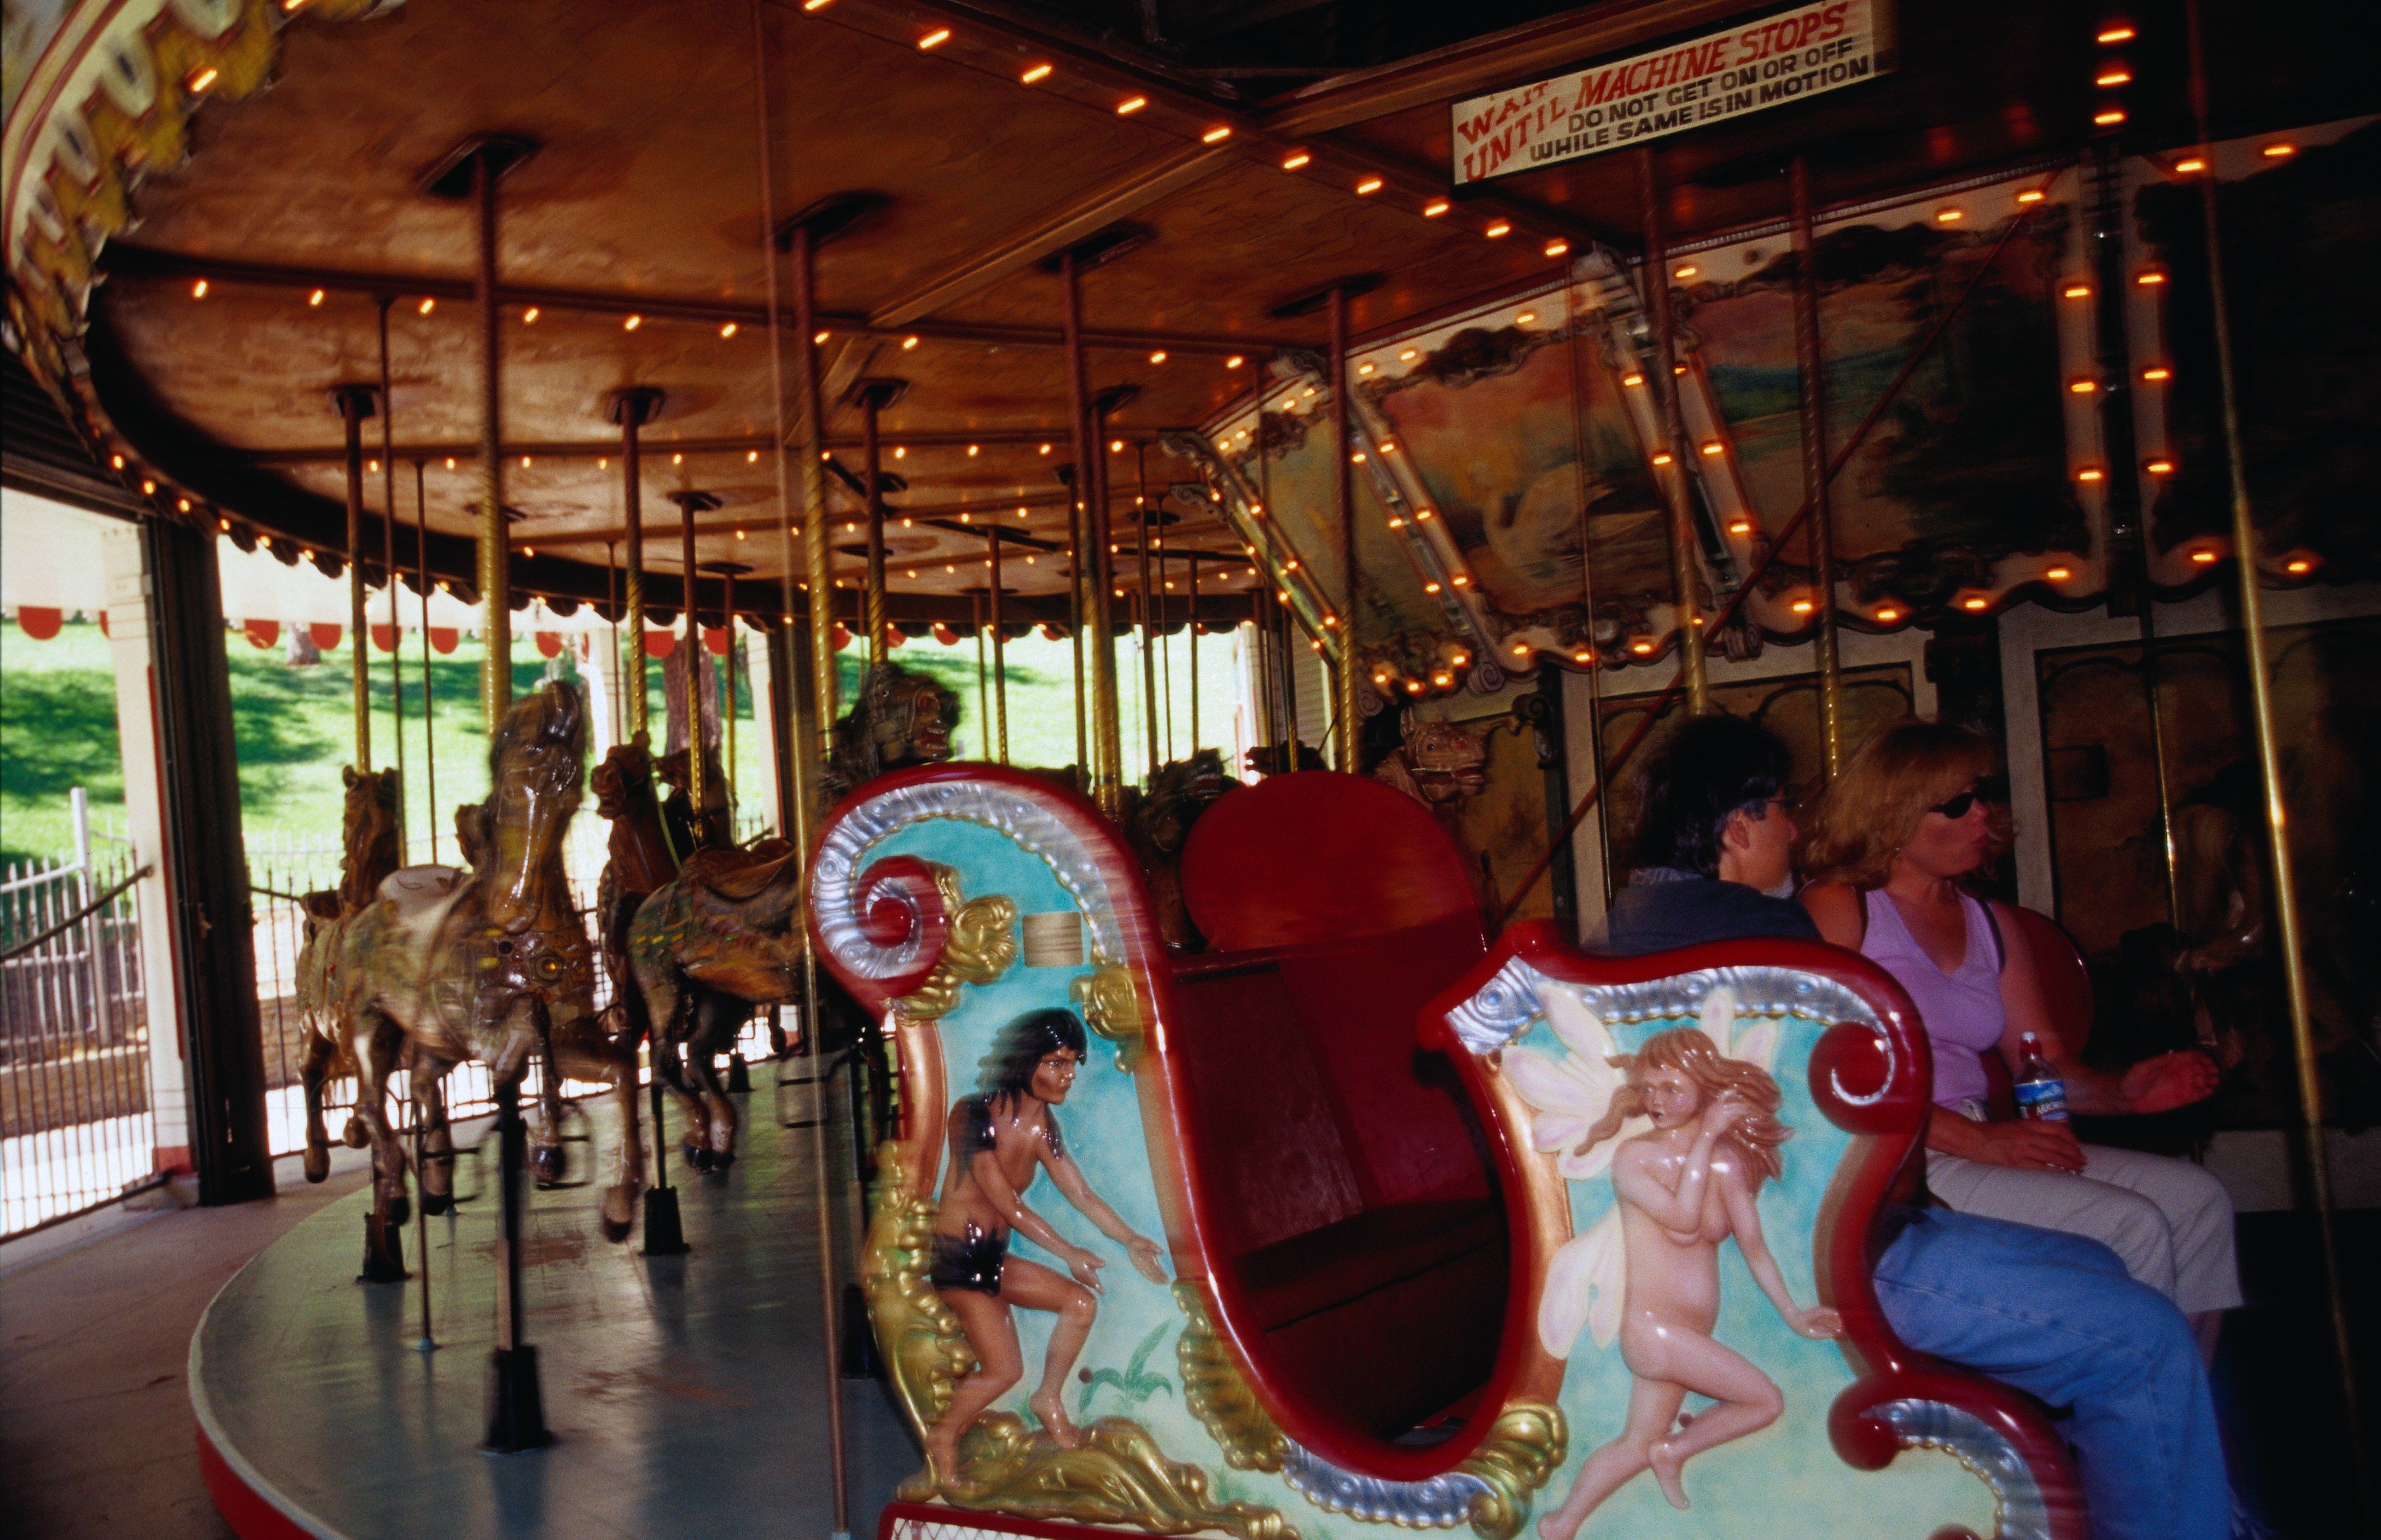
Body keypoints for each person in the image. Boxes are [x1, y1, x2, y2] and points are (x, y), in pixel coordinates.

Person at [1595, 713, 2231, 1540]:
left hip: (1793, 1234)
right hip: (1839, 1252)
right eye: (1783, 807)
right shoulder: (1778, 938)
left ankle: (2129, 1483)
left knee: (2105, 1254)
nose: (1795, 826)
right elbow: (1845, 1122)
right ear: (1739, 824)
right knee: (2143, 1333)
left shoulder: (1624, 935)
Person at [1799, 719, 2240, 1353]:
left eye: (1981, 794)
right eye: (1957, 803)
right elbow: (1819, 1067)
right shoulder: (1841, 907)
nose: (1983, 813)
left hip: (1979, 1137)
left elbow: (2047, 1061)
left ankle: (2177, 1412)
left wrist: (2123, 1093)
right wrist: (1973, 1139)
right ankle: (2136, 1407)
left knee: (2199, 1202)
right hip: (1896, 1157)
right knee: (2131, 1223)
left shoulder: (1990, 922)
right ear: (1892, 815)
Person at [1536, 1026, 1840, 1538]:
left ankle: (1560, 1524)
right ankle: (1674, 1449)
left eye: (1671, 1088)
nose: (1656, 1100)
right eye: (1649, 1088)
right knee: (1764, 1400)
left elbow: (1756, 1248)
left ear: (1704, 1087)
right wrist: (1704, 1136)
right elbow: (1681, 1217)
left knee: (1634, 1442)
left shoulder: (1722, 1162)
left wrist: (1795, 1313)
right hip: (1653, 1332)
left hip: (1686, 1335)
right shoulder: (1634, 1159)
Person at [922, 1008, 1168, 1481]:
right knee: (1003, 1370)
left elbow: (1081, 1193)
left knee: (1078, 1303)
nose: (1068, 1074)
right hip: (960, 1261)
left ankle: (1049, 1397)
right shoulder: (973, 1114)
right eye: (1056, 1063)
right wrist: (1069, 1253)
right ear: (1025, 1060)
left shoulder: (1042, 1127)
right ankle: (944, 1433)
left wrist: (1130, 1238)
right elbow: (1009, 1205)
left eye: (1073, 1062)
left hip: (992, 1259)